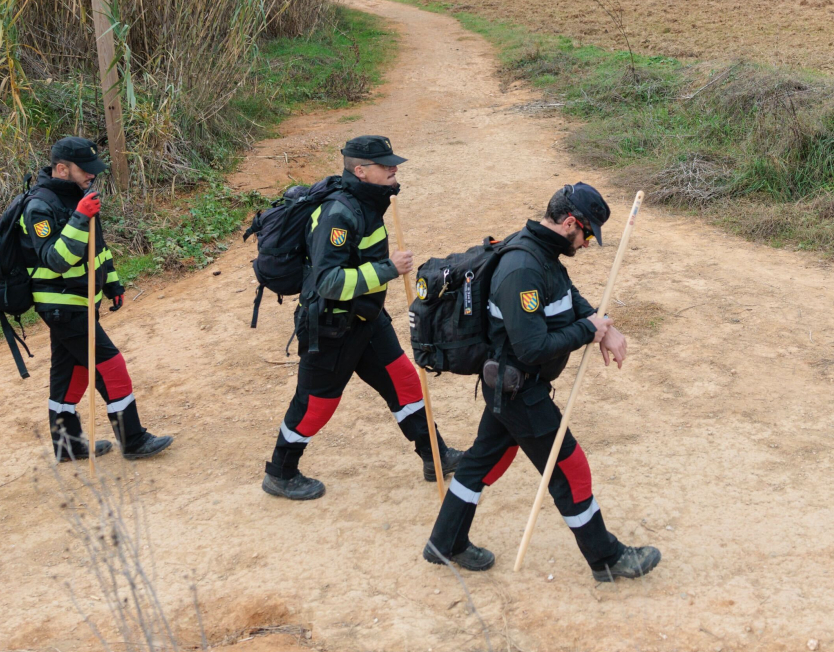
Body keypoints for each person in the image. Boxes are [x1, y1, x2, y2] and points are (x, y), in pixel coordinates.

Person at [424, 183, 660, 582]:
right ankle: (607, 558)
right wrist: (588, 330)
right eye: (587, 235)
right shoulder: (523, 269)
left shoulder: (543, 252)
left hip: (511, 386)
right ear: (570, 223)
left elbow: (567, 296)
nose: (587, 244)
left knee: (482, 462)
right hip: (521, 391)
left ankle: (444, 543)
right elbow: (532, 347)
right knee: (571, 469)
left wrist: (603, 328)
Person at [261, 136, 464, 500]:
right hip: (332, 326)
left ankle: (436, 455)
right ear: (360, 171)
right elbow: (327, 282)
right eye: (385, 165)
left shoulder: (369, 202)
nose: (394, 169)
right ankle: (280, 472)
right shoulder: (339, 213)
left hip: (367, 318)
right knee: (316, 404)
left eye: (393, 163)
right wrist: (389, 269)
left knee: (403, 382)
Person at [20, 136, 172, 461]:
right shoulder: (39, 207)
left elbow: (97, 248)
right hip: (62, 304)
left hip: (81, 300)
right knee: (110, 366)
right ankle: (133, 440)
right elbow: (55, 260)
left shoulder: (80, 196)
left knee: (72, 371)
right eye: (84, 169)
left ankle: (67, 447)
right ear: (61, 168)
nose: (92, 175)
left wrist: (113, 284)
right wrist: (78, 217)